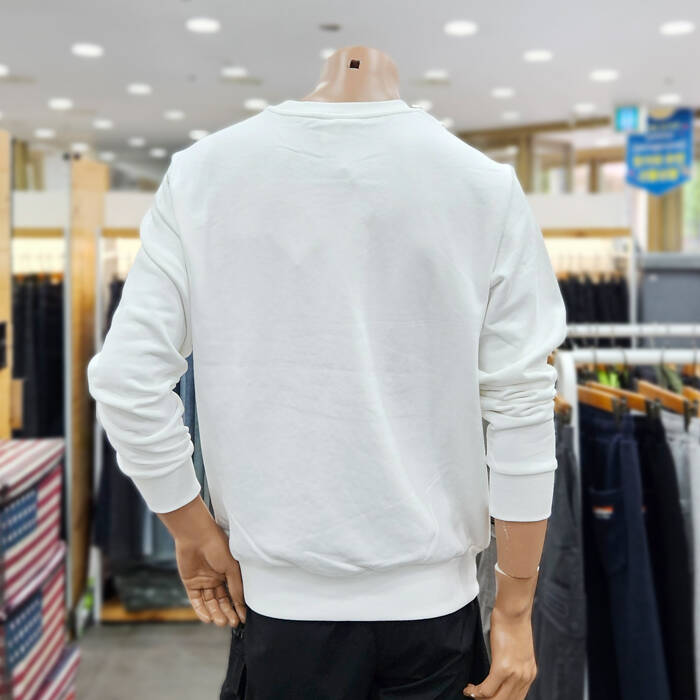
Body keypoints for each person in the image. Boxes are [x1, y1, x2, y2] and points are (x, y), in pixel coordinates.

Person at [88, 46, 567, 700]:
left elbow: (127, 381)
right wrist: (513, 609)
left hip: (281, 616)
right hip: (432, 620)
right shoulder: (482, 185)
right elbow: (520, 409)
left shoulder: (204, 174)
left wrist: (192, 529)